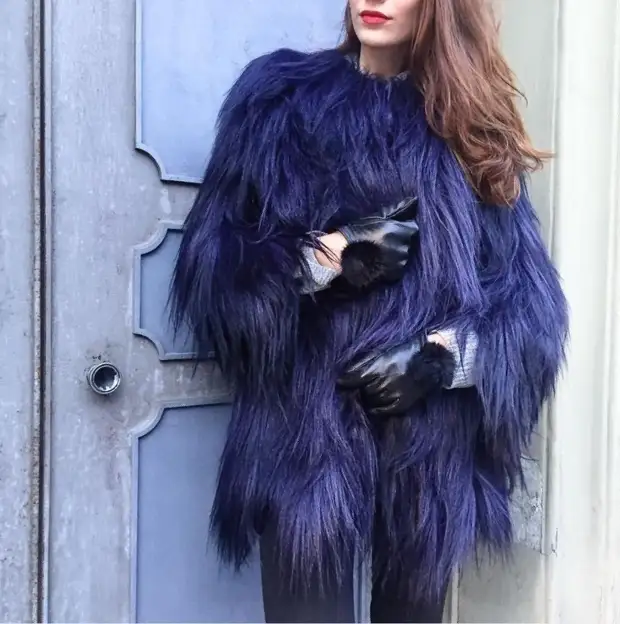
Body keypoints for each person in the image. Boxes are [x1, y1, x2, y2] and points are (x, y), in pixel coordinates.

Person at [171, 0, 569, 621]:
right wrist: (328, 258)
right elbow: (211, 267)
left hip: (426, 457)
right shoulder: (279, 102)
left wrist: (440, 361)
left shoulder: (469, 129)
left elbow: (532, 314)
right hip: (304, 441)